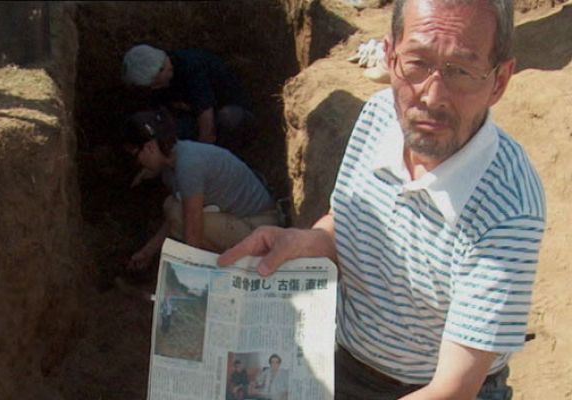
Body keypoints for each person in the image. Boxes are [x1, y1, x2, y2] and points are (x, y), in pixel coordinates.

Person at [218, 0, 546, 399]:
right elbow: (346, 222)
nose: (432, 95)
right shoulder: (376, 117)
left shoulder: (509, 205)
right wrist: (309, 240)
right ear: (390, 57)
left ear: (499, 81)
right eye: (418, 62)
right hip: (346, 361)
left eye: (461, 70)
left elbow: (454, 388)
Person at [122, 106, 279, 271]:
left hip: (261, 227)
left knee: (178, 215)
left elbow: (193, 230)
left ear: (149, 148)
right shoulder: (173, 163)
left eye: (135, 155)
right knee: (172, 207)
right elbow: (178, 217)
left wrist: (189, 275)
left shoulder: (189, 165)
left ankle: (223, 268)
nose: (139, 163)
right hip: (241, 220)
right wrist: (148, 251)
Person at [122, 44, 255, 151]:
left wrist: (201, 158)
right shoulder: (159, 80)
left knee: (228, 117)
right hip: (193, 117)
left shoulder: (191, 68)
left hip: (231, 114)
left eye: (154, 83)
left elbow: (206, 120)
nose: (153, 88)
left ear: (162, 69)